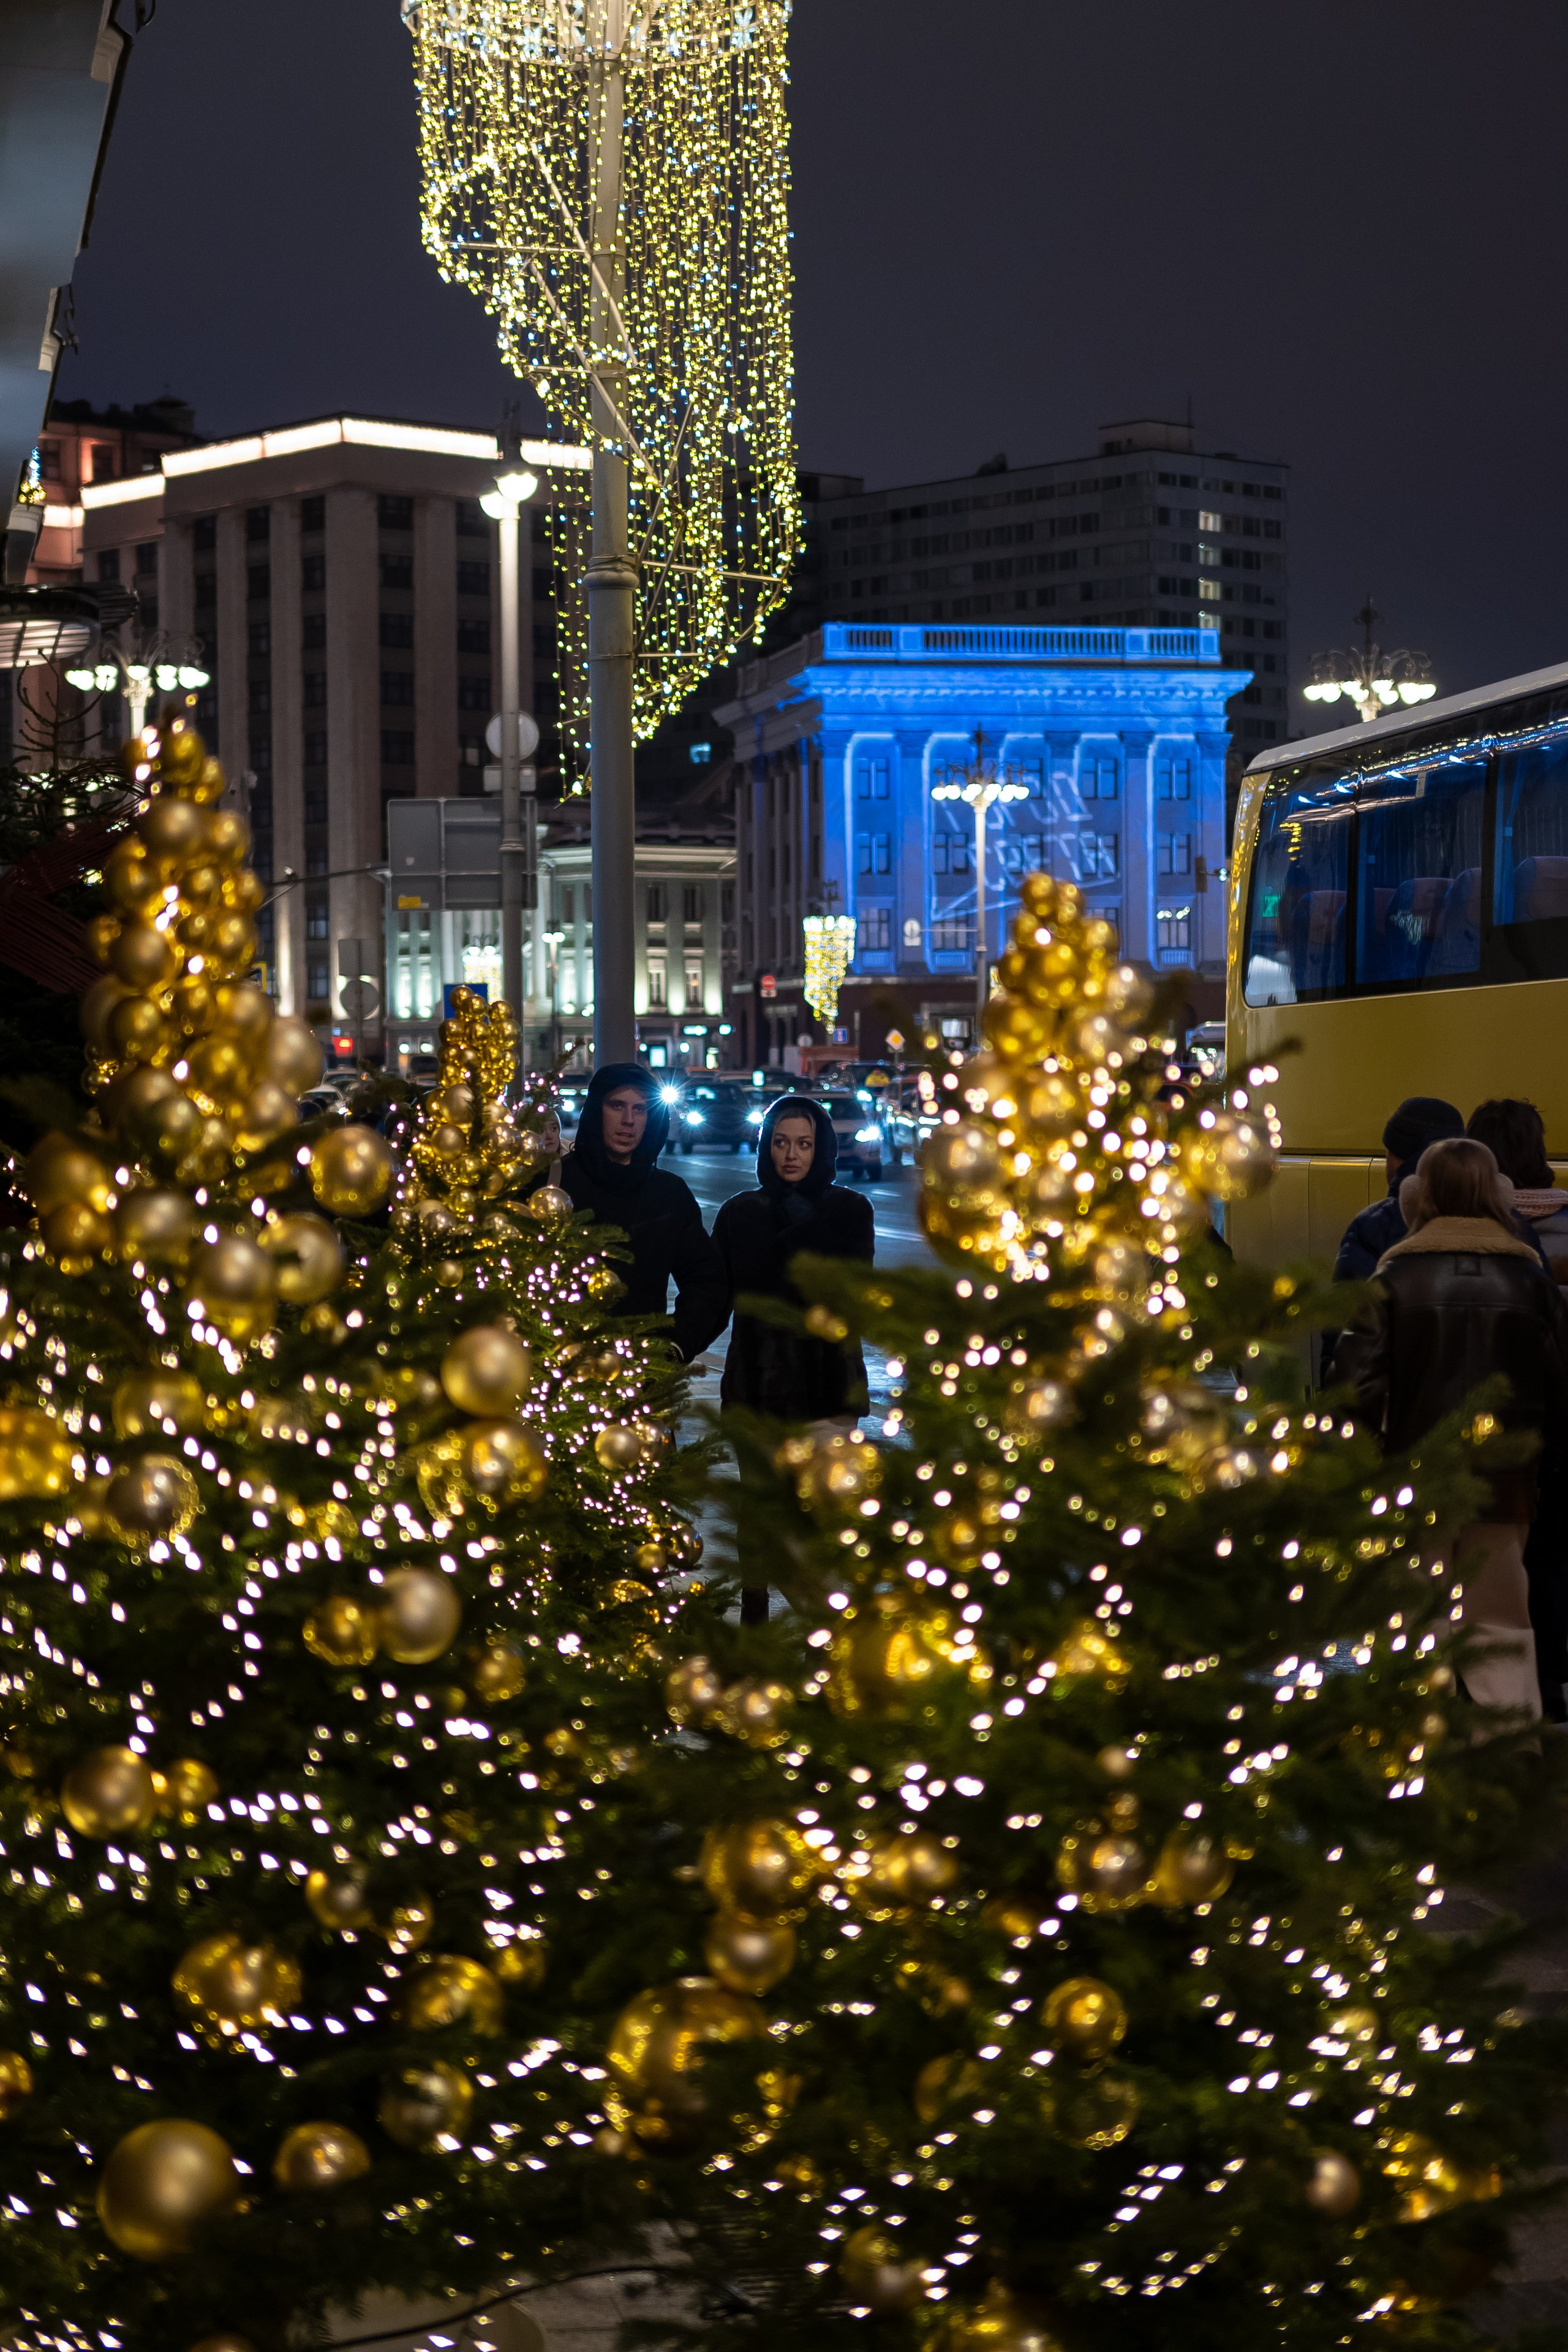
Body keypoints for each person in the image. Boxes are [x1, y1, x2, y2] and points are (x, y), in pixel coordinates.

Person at [1353, 1136, 1568, 1727]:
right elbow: (1560, 1384)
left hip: (1414, 1477)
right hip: (1507, 1482)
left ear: (1420, 1195)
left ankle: (1415, 1731)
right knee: (1501, 1614)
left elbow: (1358, 1385)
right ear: (1497, 1195)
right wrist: (1549, 1464)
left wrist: (1360, 1463)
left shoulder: (1394, 1278)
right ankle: (1507, 1735)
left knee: (1415, 1612)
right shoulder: (1530, 1282)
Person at [712, 1094, 875, 1621]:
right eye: (781, 1143)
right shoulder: (740, 1213)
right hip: (755, 1387)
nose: (791, 1155)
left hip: (827, 1388)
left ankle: (823, 1630)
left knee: (819, 1520)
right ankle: (754, 1613)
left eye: (804, 1144)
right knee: (760, 1512)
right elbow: (714, 1296)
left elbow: (849, 1293)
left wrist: (800, 1223)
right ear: (766, 1147)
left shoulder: (850, 1211)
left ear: (820, 1149)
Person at [1466, 1098, 1568, 1717]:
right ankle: (1554, 1684)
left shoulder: (1473, 1235)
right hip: (1558, 1418)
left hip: (1500, 1425)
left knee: (1499, 1565)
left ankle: (1504, 1696)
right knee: (1554, 1554)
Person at [559, 1063, 728, 1363]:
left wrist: (676, 1345)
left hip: (640, 1372)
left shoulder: (668, 1194)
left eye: (640, 1109)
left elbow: (707, 1281)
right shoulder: (555, 1186)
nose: (628, 1120)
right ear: (597, 1110)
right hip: (560, 1368)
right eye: (617, 1106)